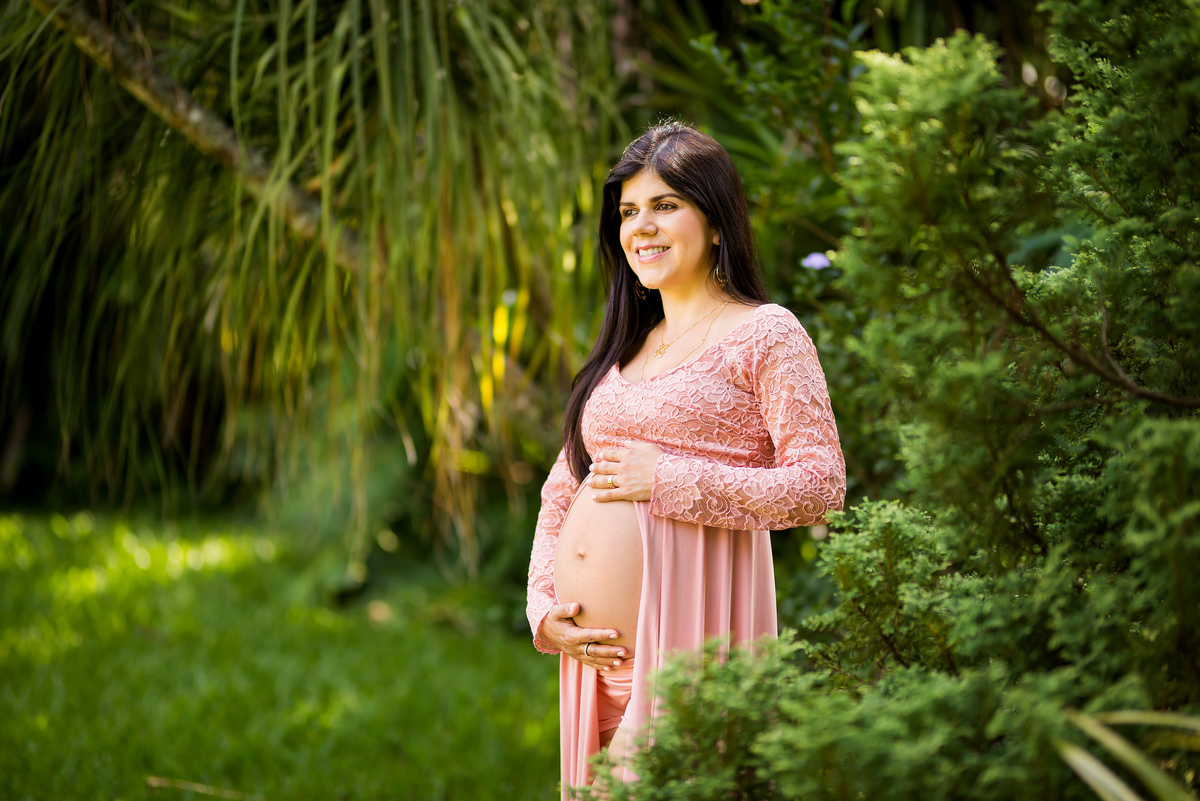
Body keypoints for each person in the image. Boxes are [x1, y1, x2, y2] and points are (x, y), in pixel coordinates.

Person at [525, 121, 845, 798]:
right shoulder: (624, 348)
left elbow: (820, 483)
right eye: (628, 211)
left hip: (692, 644)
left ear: (718, 221)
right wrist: (542, 606)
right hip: (592, 658)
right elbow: (562, 491)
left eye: (665, 205)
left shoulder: (765, 333)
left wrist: (667, 480)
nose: (642, 226)